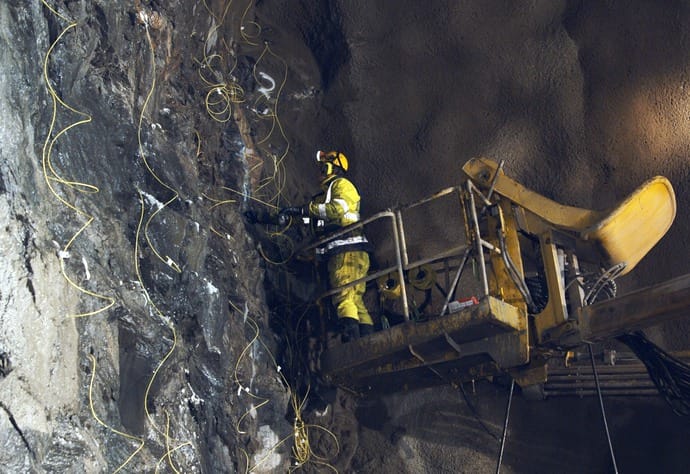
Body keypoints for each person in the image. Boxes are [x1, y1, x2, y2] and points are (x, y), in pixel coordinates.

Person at [280, 150, 374, 341]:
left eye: (323, 167)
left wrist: (304, 209)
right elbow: (312, 219)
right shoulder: (324, 195)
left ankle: (354, 346)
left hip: (346, 251)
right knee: (355, 300)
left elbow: (336, 209)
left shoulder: (342, 184)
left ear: (332, 168)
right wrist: (276, 217)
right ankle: (368, 342)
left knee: (343, 298)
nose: (320, 172)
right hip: (351, 252)